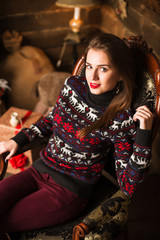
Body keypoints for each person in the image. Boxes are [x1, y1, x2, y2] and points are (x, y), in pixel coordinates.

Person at [0, 33, 153, 234]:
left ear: (121, 73)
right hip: (38, 170)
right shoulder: (73, 86)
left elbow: (128, 185)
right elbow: (51, 120)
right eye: (89, 66)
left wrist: (144, 135)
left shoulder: (121, 119)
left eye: (103, 69)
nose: (93, 77)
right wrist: (17, 140)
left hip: (67, 191)